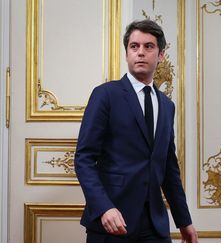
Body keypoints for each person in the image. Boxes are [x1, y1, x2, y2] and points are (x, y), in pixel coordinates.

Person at [75, 19, 198, 243]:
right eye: (134, 46)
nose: (140, 52)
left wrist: (184, 221)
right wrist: (104, 208)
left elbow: (169, 168)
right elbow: (84, 158)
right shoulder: (106, 95)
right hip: (112, 221)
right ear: (127, 53)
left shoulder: (167, 105)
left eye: (148, 46)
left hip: (154, 224)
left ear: (160, 55)